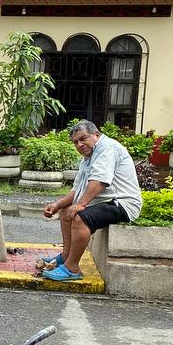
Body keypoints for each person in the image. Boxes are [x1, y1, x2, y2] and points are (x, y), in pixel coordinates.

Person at [39, 119, 142, 282]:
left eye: (83, 138)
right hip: (106, 201)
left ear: (96, 135)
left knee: (80, 217)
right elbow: (77, 190)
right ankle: (65, 257)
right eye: (75, 142)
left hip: (123, 203)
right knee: (66, 210)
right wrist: (57, 205)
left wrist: (81, 205)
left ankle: (72, 268)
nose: (79, 144)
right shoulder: (88, 157)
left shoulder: (107, 148)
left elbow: (99, 182)